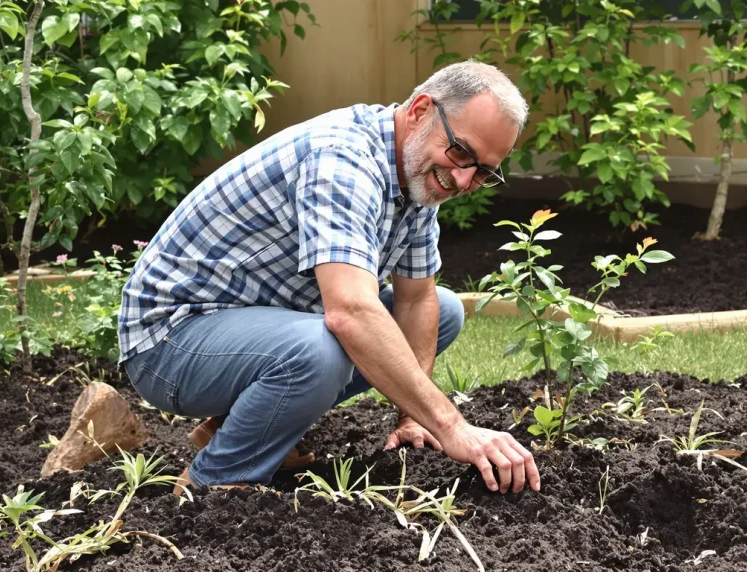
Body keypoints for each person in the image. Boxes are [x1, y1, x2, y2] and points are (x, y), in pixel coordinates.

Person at [117, 60, 541, 496]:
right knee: (323, 347)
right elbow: (351, 312)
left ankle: (238, 424)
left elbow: (417, 301)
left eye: (484, 172)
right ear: (419, 111)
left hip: (243, 330)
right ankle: (213, 485)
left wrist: (414, 418)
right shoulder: (343, 158)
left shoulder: (416, 174)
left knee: (444, 310)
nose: (463, 179)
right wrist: (452, 426)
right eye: (461, 152)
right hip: (168, 339)